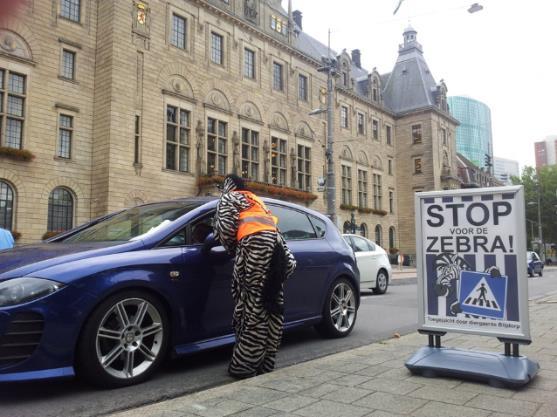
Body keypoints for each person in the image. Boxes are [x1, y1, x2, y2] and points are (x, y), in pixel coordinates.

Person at [213, 174, 296, 379]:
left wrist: (234, 249)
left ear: (227, 186)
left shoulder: (229, 198)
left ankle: (245, 365)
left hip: (256, 249)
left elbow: (225, 229)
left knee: (254, 308)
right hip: (276, 249)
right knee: (272, 306)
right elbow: (274, 230)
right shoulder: (255, 199)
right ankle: (266, 362)